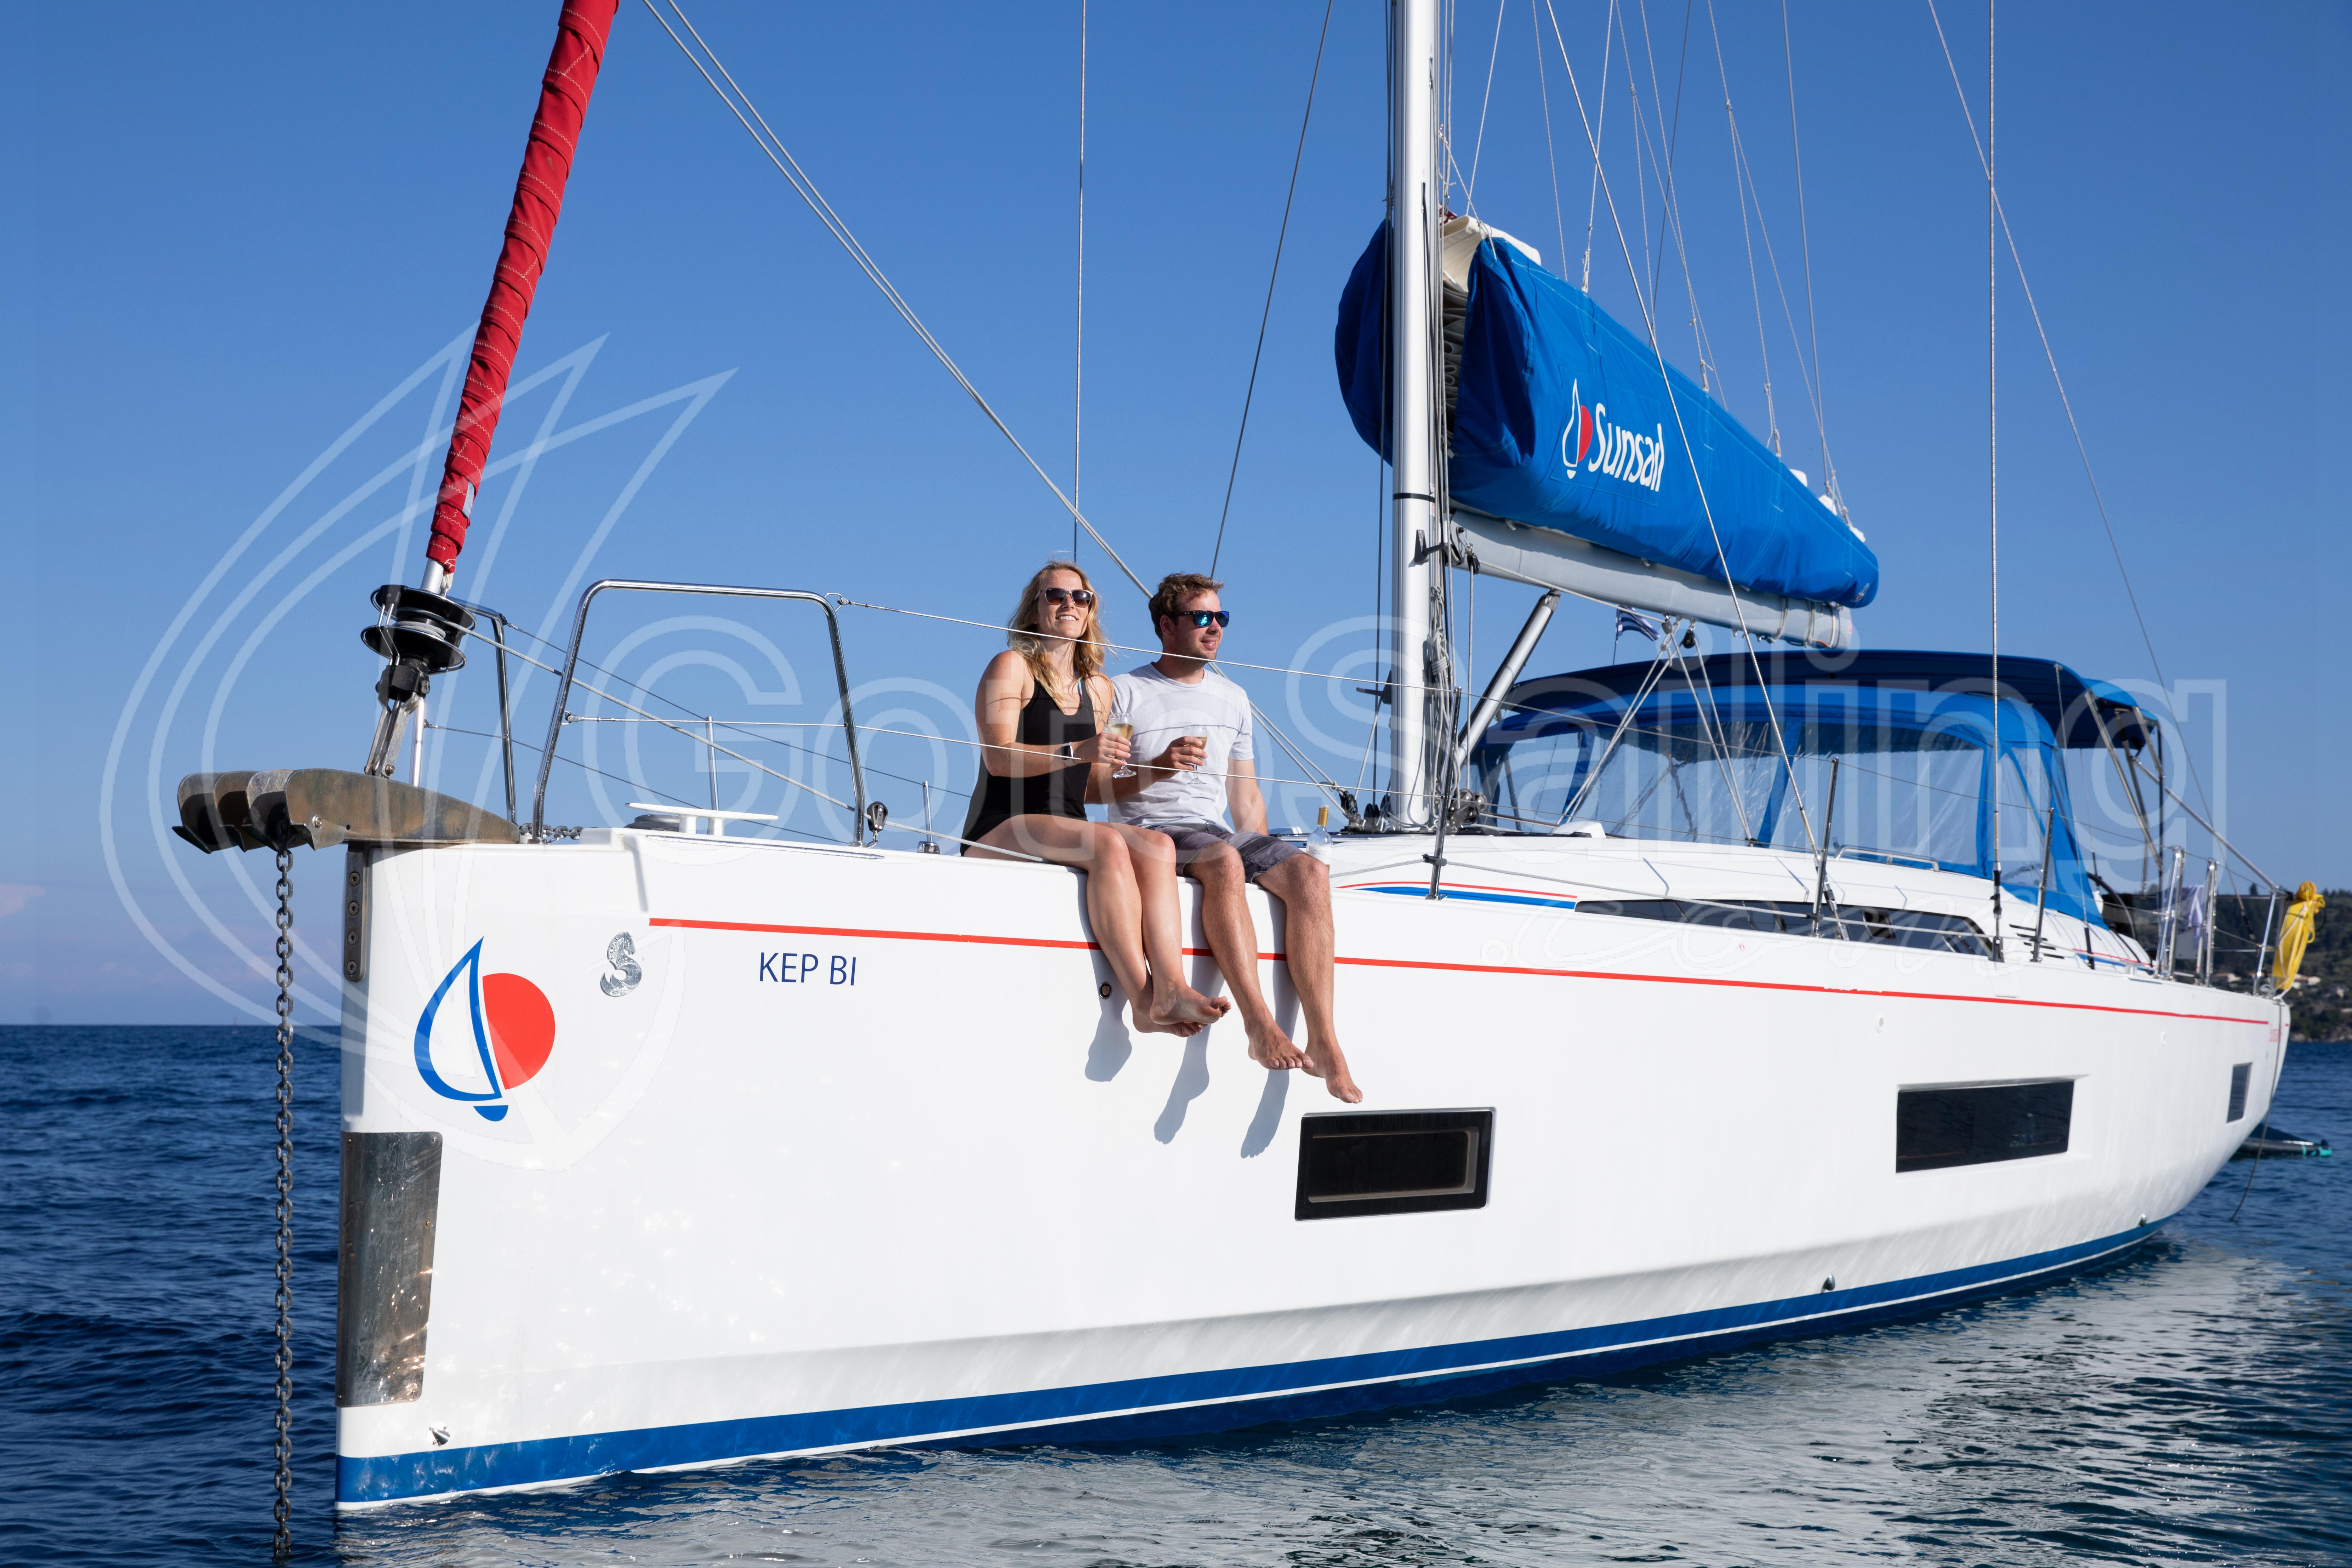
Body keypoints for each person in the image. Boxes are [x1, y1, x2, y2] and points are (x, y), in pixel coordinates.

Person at [1108, 572, 1362, 1102]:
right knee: (1223, 859)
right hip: (1150, 829)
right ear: (1167, 625)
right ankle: (1258, 1025)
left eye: (1221, 617)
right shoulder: (1126, 692)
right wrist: (1158, 767)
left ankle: (1325, 1040)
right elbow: (1102, 783)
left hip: (1214, 829)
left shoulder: (1233, 698)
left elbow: (1245, 796)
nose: (1215, 627)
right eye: (1202, 617)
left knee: (1309, 874)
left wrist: (1270, 868)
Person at [964, 561, 1230, 1039]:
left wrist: (1160, 766)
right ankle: (1144, 999)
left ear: (1090, 611)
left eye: (1081, 597)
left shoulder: (1100, 690)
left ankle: (1171, 986)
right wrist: (1076, 750)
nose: (1070, 604)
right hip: (1002, 823)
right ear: (1035, 610)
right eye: (1056, 595)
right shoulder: (1012, 666)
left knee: (1158, 846)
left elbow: (1095, 787)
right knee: (1107, 844)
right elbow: (998, 758)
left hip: (1066, 822)